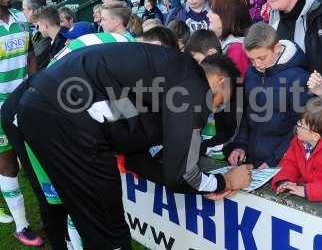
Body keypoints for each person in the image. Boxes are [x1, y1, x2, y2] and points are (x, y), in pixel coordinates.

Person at [6, 42, 252, 249]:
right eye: (222, 101)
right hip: (63, 115)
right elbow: (182, 175)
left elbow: (137, 158)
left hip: (40, 106)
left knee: (91, 219)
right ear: (220, 79)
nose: (215, 109)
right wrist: (227, 181)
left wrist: (195, 179)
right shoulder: (192, 84)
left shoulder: (167, 76)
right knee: (108, 225)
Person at [228, 22, 310, 169]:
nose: (257, 64)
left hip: (283, 162)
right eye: (251, 60)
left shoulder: (299, 78)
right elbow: (247, 115)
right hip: (253, 158)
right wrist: (240, 145)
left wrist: (274, 160)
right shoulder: (251, 74)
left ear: (277, 48)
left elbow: (300, 128)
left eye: (262, 58)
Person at [0, 0, 43, 246]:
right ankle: (22, 224)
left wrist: (34, 87)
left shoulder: (19, 18)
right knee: (7, 166)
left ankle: (52, 216)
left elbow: (30, 57)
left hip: (24, 103)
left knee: (37, 163)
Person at [271, 98, 322, 202]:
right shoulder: (298, 142)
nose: (297, 126)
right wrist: (284, 181)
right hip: (304, 192)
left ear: (315, 136)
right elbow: (288, 162)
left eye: (301, 125)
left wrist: (306, 191)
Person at [208, 0, 252, 77]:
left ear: (227, 17)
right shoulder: (231, 45)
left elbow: (238, 87)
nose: (208, 15)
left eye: (213, 12)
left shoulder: (237, 50)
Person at [22, 0, 50, 70]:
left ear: (33, 11)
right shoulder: (37, 29)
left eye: (24, 9)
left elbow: (37, 58)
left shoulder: (44, 30)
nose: (23, 12)